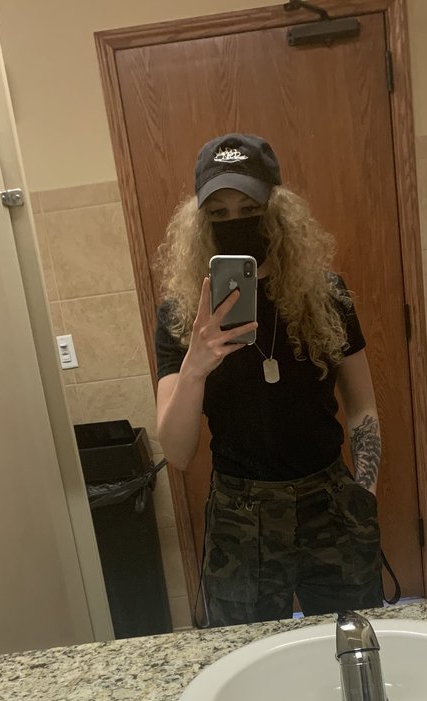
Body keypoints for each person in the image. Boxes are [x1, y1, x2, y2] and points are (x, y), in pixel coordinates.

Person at [154, 132, 384, 627]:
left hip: (331, 502)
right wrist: (194, 365)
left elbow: (362, 405)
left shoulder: (326, 296)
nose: (235, 222)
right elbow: (176, 451)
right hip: (240, 515)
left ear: (276, 211)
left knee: (351, 643)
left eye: (249, 208)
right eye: (218, 213)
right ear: (201, 223)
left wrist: (362, 495)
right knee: (244, 657)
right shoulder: (181, 315)